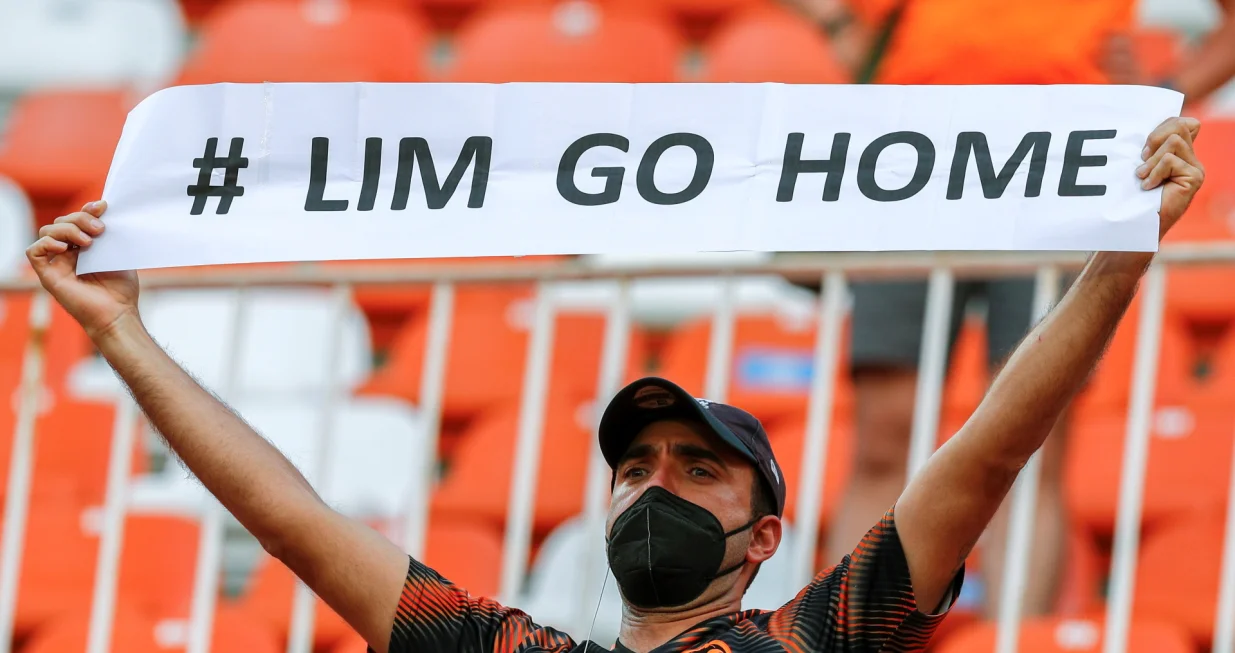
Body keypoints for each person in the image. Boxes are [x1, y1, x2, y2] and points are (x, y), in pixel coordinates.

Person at [25, 117, 1203, 653]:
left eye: (698, 467)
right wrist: (123, 336)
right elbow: (289, 519)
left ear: (764, 533)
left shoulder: (813, 638)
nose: (654, 485)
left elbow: (989, 449)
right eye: (633, 465)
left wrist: (1115, 256)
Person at [780, 0, 1235, 618]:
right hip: (911, 155)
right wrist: (845, 30)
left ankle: (1013, 638)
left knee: (1031, 440)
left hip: (1062, 155)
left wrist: (1158, 98)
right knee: (885, 438)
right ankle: (849, 634)